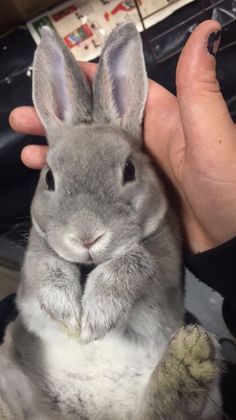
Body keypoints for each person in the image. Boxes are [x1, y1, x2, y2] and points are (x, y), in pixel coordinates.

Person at [7, 19, 236, 417]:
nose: (86, 232)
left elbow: (160, 266)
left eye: (127, 173)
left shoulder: (160, 206)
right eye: (52, 180)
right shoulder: (51, 225)